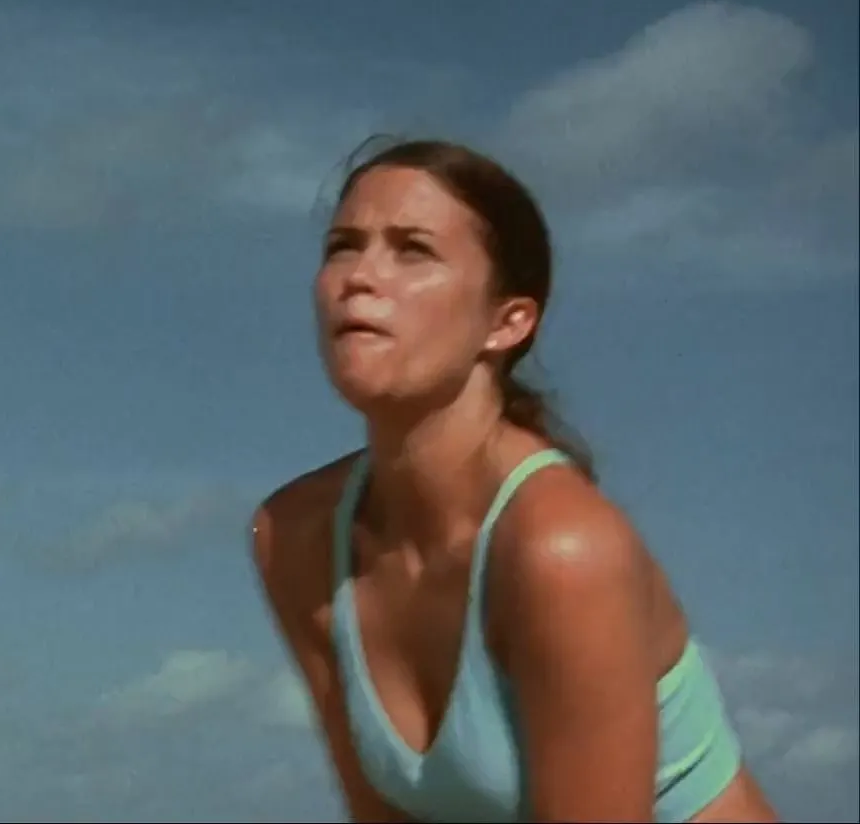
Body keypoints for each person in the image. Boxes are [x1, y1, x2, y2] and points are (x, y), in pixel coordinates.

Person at [250, 137, 777, 823]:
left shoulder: (561, 551)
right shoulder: (296, 535)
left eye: (413, 250)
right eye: (343, 246)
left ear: (507, 323)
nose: (360, 276)